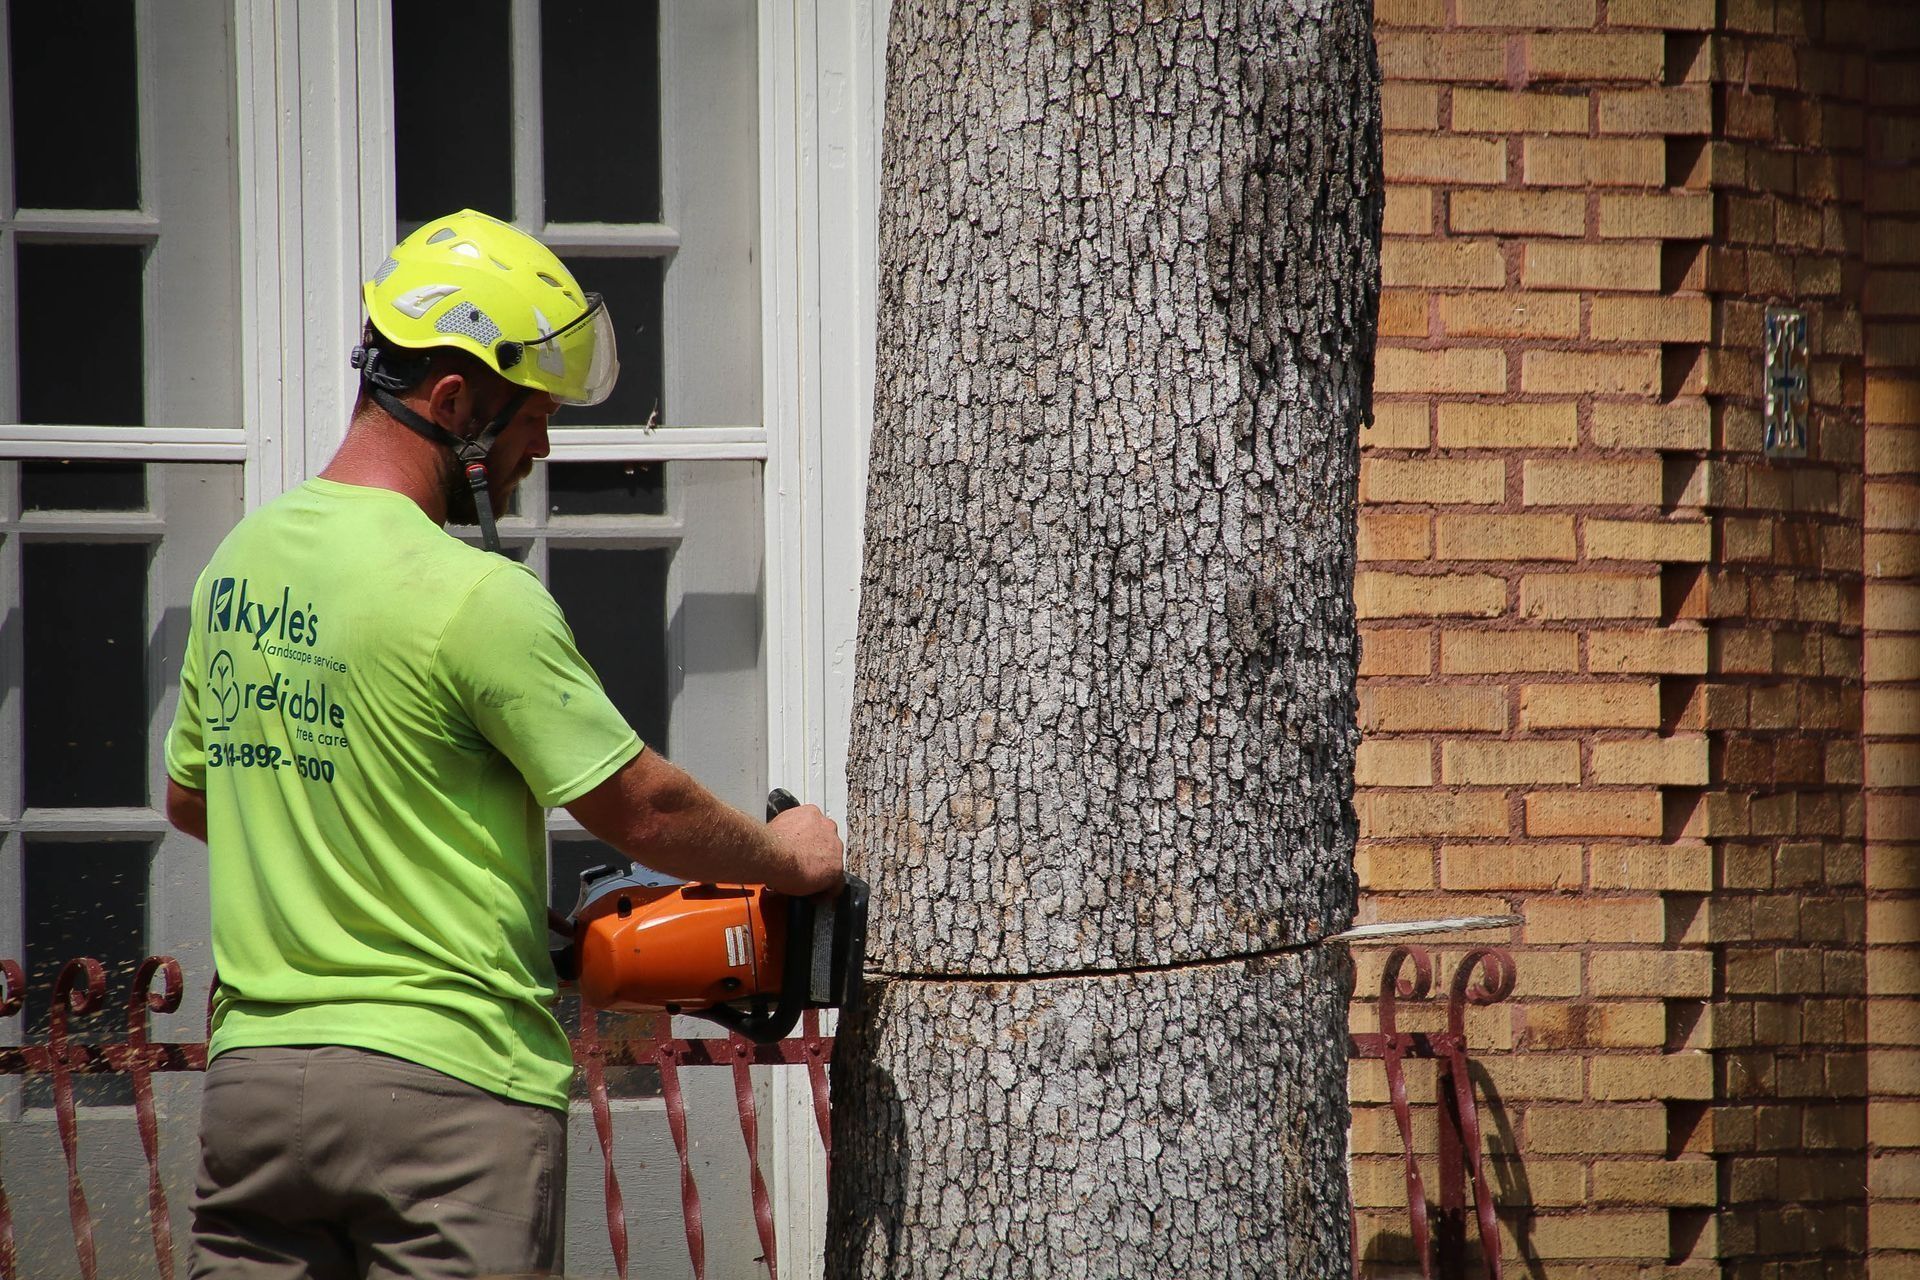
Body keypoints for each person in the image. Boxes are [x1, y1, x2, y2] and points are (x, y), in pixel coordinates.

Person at [163, 208, 844, 1280]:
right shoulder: (475, 596)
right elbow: (644, 810)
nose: (543, 443)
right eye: (532, 416)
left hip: (256, 1097)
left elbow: (197, 799)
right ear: (451, 402)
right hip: (444, 1105)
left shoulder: (238, 567)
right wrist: (794, 853)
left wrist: (396, 865)